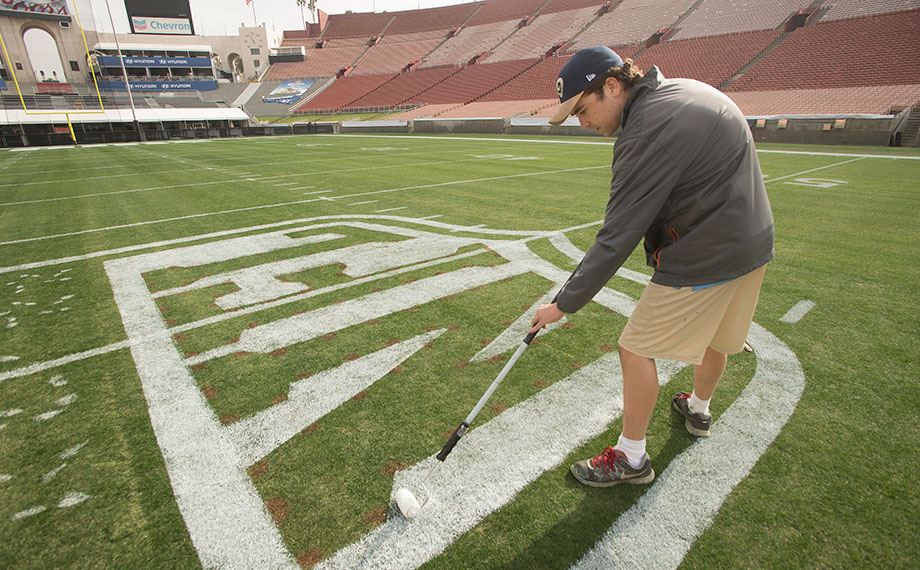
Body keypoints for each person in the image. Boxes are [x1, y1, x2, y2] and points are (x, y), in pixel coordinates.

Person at [529, 46, 774, 487]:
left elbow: (615, 238)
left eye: (583, 110)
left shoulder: (644, 132)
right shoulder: (681, 90)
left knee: (635, 347)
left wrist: (562, 305)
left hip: (707, 253)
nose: (583, 124)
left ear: (612, 86)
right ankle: (698, 409)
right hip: (753, 242)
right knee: (714, 334)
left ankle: (631, 457)